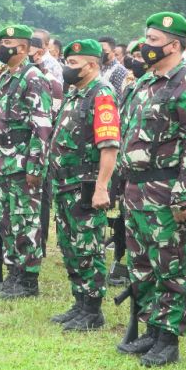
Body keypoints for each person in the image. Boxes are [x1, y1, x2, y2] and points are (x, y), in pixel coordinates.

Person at [116, 12, 186, 367]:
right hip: (136, 187)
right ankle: (151, 329)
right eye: (147, 39)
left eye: (154, 41)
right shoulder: (144, 83)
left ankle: (169, 339)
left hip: (166, 187)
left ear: (174, 45)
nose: (147, 46)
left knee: (169, 265)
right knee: (141, 264)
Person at [48, 39, 120, 332]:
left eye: (73, 63)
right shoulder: (76, 93)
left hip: (84, 184)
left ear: (91, 65)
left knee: (87, 247)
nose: (67, 68)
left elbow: (109, 146)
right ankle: (79, 302)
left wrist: (102, 187)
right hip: (64, 184)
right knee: (70, 246)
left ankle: (92, 309)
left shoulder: (101, 94)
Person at [0, 24, 53, 298]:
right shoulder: (6, 78)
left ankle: (28, 279)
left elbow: (42, 126)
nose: (3, 46)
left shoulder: (33, 77)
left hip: (23, 164)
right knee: (7, 222)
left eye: (9, 42)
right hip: (2, 162)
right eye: (1, 41)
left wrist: (35, 167)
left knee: (26, 221)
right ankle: (13, 272)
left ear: (24, 48)